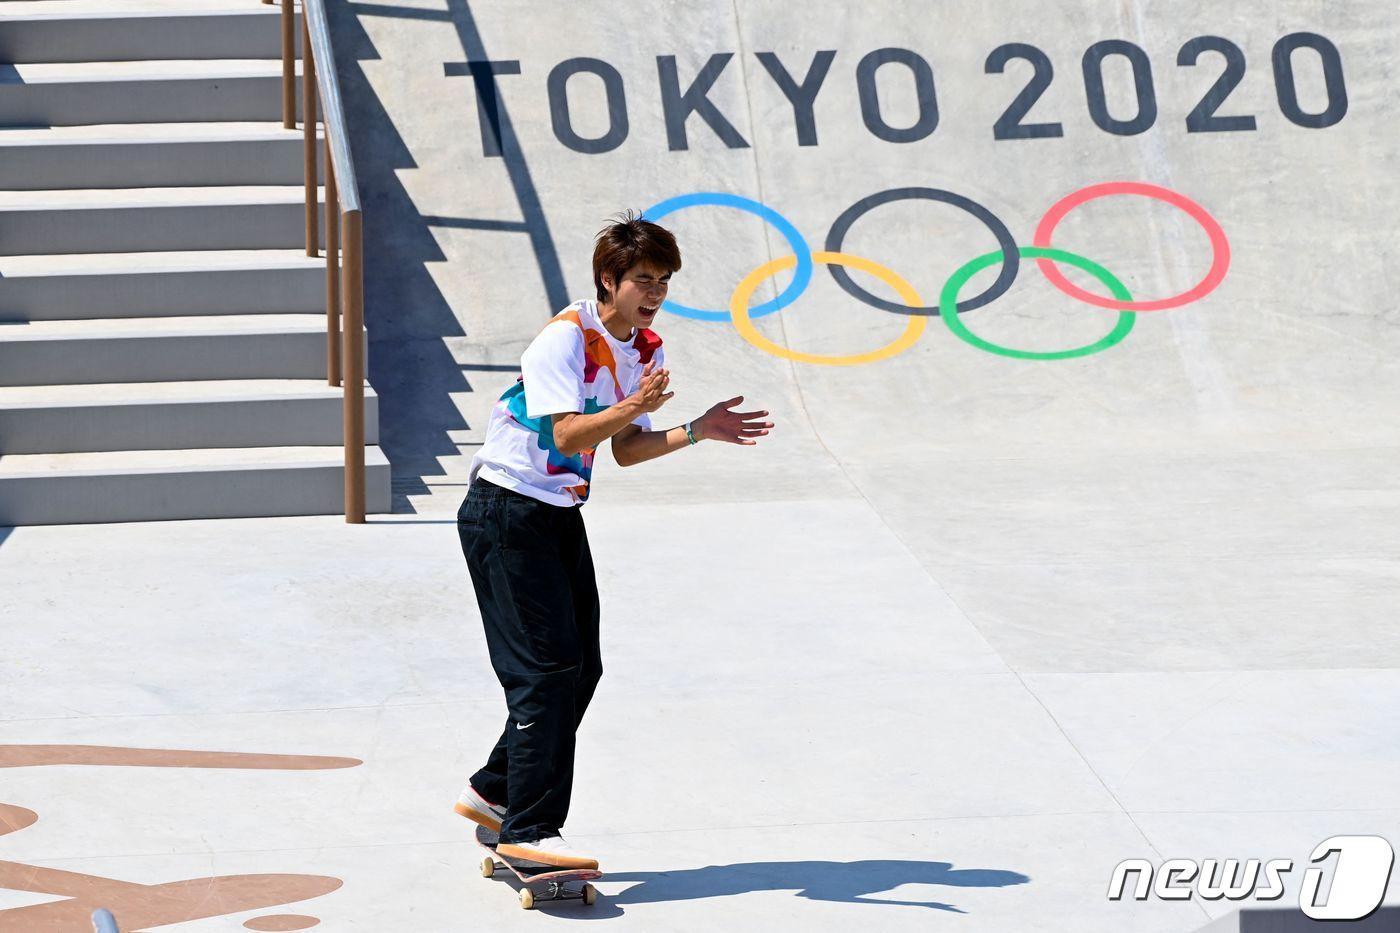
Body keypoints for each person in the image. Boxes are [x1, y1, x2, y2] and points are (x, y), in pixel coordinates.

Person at [452, 210, 774, 869]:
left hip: (555, 514)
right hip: (505, 510)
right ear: (609, 279)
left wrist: (696, 428)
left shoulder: (645, 350)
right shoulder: (566, 339)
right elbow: (567, 434)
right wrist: (631, 405)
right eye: (643, 280)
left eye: (663, 281)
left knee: (581, 667)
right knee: (545, 672)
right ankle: (528, 831)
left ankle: (493, 792)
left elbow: (625, 449)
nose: (655, 293)